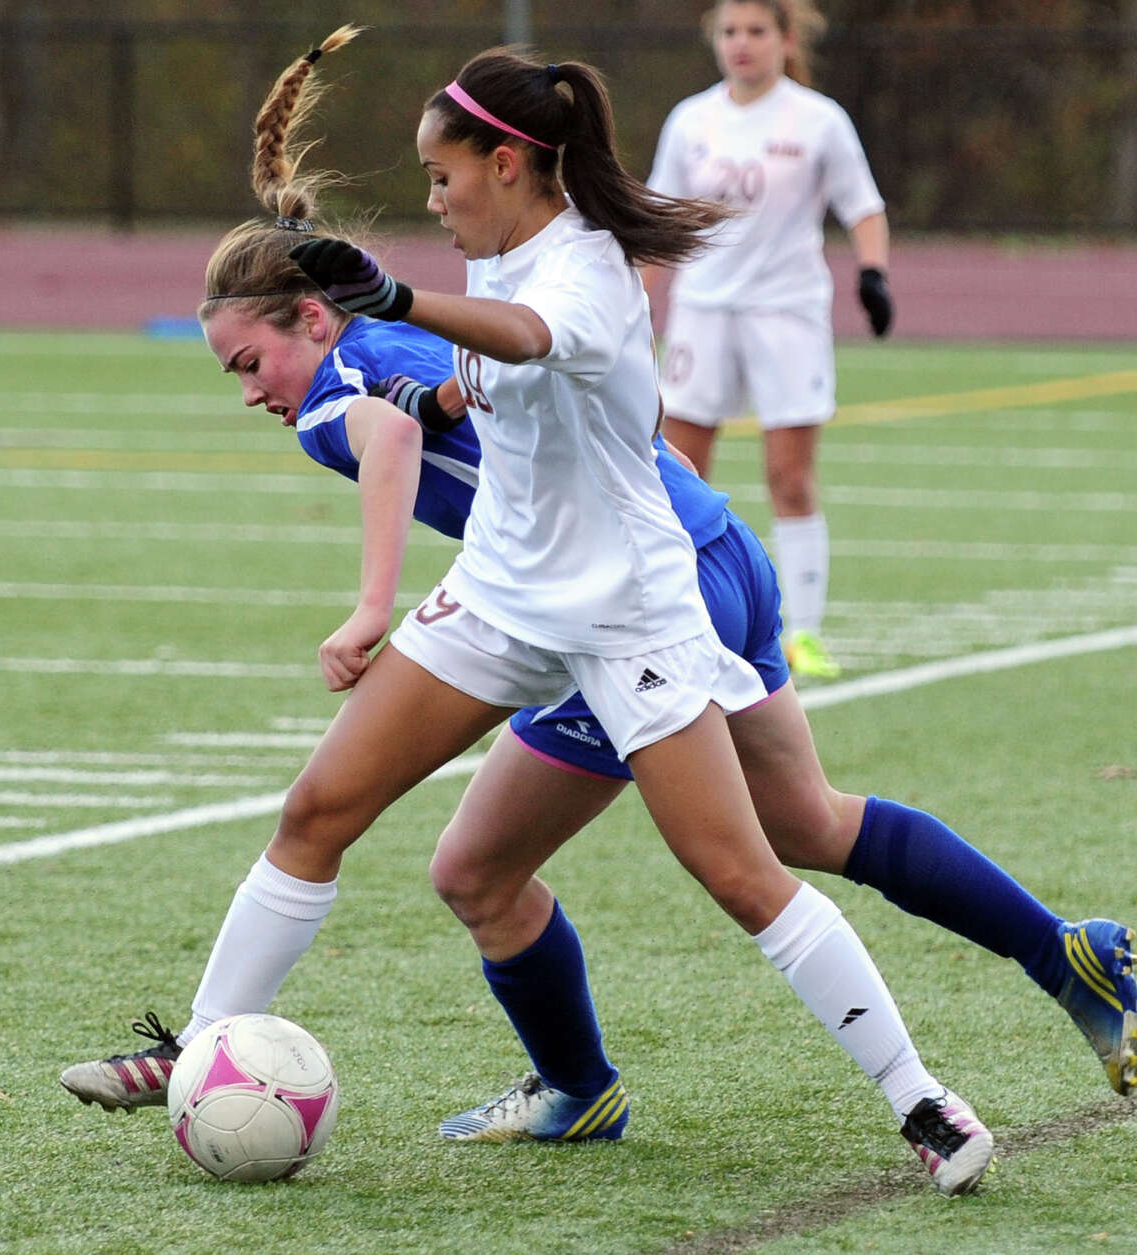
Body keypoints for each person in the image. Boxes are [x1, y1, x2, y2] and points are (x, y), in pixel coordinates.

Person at [55, 35, 1129, 1199]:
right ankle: (216, 1047)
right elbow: (489, 373)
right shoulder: (505, 262)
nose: (430, 198)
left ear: (510, 163)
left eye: (441, 176)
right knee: (353, 817)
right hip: (527, 589)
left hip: (631, 605)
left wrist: (403, 328)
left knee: (737, 864)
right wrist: (434, 377)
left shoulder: (576, 273)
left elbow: (526, 342)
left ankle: (921, 1099)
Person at [645, 0, 893, 681]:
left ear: (785, 39)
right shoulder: (691, 120)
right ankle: (681, 620)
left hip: (787, 314)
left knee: (789, 477)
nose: (742, 45)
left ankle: (802, 634)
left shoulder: (818, 120)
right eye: (730, 32)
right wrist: (628, 298)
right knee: (680, 475)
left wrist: (873, 275)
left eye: (756, 31)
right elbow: (661, 221)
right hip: (702, 313)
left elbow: (863, 207)